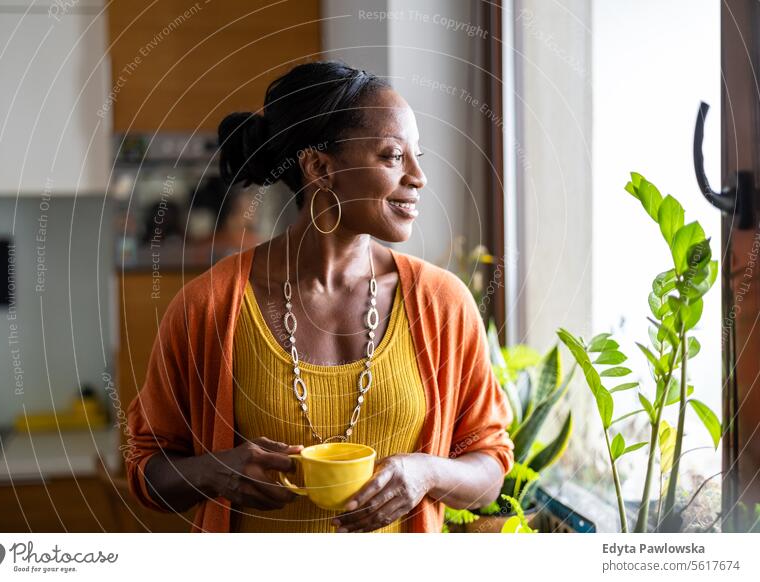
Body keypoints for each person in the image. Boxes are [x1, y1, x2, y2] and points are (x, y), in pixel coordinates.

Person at [125, 60, 514, 533]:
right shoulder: (209, 307)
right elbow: (146, 468)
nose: (418, 177)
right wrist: (217, 472)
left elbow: (489, 468)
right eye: (393, 156)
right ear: (320, 167)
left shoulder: (443, 304)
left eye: (418, 156)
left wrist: (426, 472)